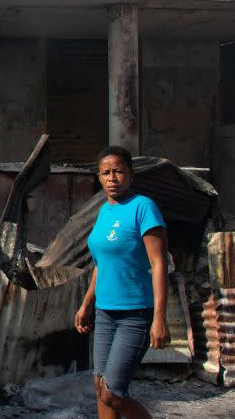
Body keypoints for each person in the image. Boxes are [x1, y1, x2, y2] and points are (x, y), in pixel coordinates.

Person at [74, 146, 170, 419]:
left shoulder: (143, 207)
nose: (112, 178)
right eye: (105, 172)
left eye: (118, 171)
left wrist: (159, 319)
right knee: (99, 387)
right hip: (105, 313)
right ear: (99, 177)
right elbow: (101, 265)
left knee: (113, 393)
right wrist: (86, 304)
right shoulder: (104, 211)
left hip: (135, 314)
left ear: (131, 174)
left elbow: (159, 264)